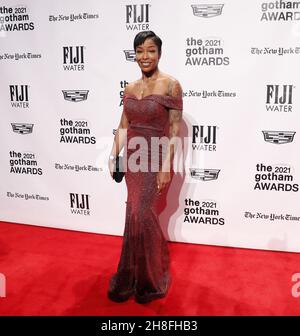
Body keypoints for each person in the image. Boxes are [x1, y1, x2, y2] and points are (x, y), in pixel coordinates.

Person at [107, 30, 183, 304]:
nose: (145, 56)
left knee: (143, 213)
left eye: (150, 50)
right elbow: (124, 124)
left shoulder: (171, 85)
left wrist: (166, 165)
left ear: (159, 53)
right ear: (134, 55)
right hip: (132, 159)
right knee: (133, 212)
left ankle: (149, 278)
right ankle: (131, 274)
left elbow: (174, 129)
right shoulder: (130, 88)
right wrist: (113, 154)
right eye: (140, 51)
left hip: (155, 157)